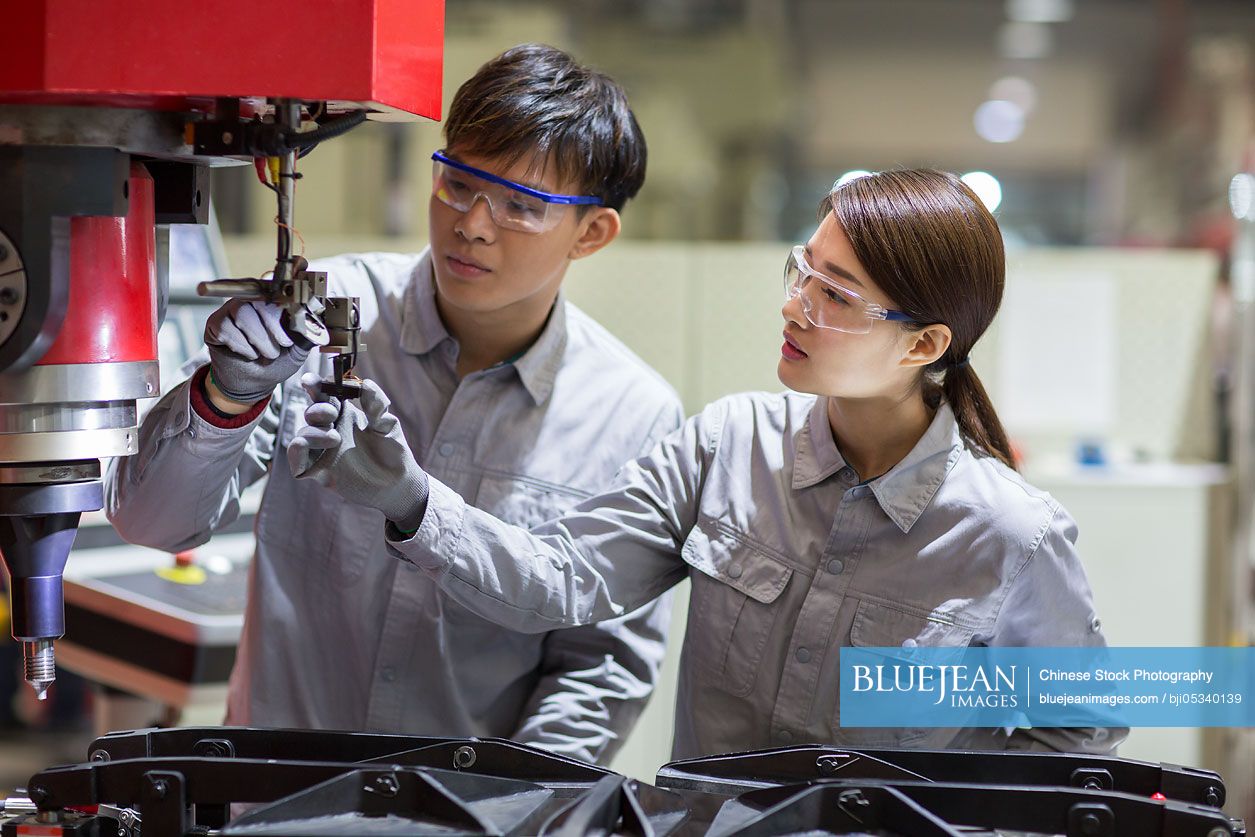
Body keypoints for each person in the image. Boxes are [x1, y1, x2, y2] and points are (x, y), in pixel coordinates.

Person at [291, 169, 1126, 759]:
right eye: (801, 269)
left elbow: (1077, 733)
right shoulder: (730, 445)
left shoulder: (1009, 535)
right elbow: (558, 580)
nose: (792, 304)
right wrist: (407, 496)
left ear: (923, 343)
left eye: (834, 295)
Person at [105, 44, 684, 765]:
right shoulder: (318, 322)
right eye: (458, 183)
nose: (472, 224)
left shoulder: (629, 414)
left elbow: (600, 666)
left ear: (591, 233)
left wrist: (515, 808)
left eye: (520, 206)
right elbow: (150, 519)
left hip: (463, 813)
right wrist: (227, 396)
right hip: (274, 796)